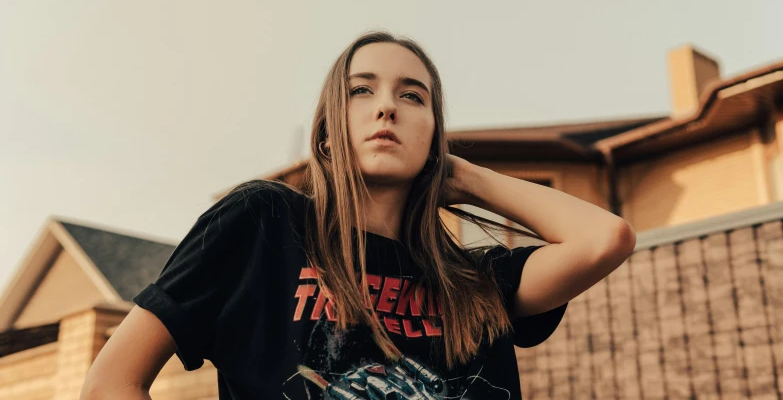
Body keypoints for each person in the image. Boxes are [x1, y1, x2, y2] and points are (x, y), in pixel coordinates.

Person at [79, 31, 636, 400]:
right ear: (328, 131)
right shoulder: (262, 223)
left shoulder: (476, 280)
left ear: (436, 135)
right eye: (361, 91)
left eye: (413, 96)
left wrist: (461, 176)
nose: (387, 106)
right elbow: (110, 383)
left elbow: (605, 238)